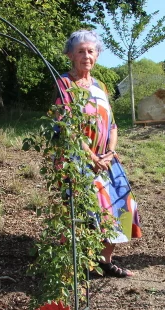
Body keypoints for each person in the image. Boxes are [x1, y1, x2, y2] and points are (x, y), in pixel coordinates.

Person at [55, 29, 142, 278]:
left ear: (97, 55)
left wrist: (110, 153)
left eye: (90, 51)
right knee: (87, 209)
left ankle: (105, 260)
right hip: (76, 160)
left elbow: (112, 124)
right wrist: (90, 157)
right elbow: (67, 126)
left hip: (105, 159)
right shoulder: (64, 84)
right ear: (70, 55)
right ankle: (77, 263)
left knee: (124, 204)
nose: (86, 56)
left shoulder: (100, 85)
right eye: (80, 51)